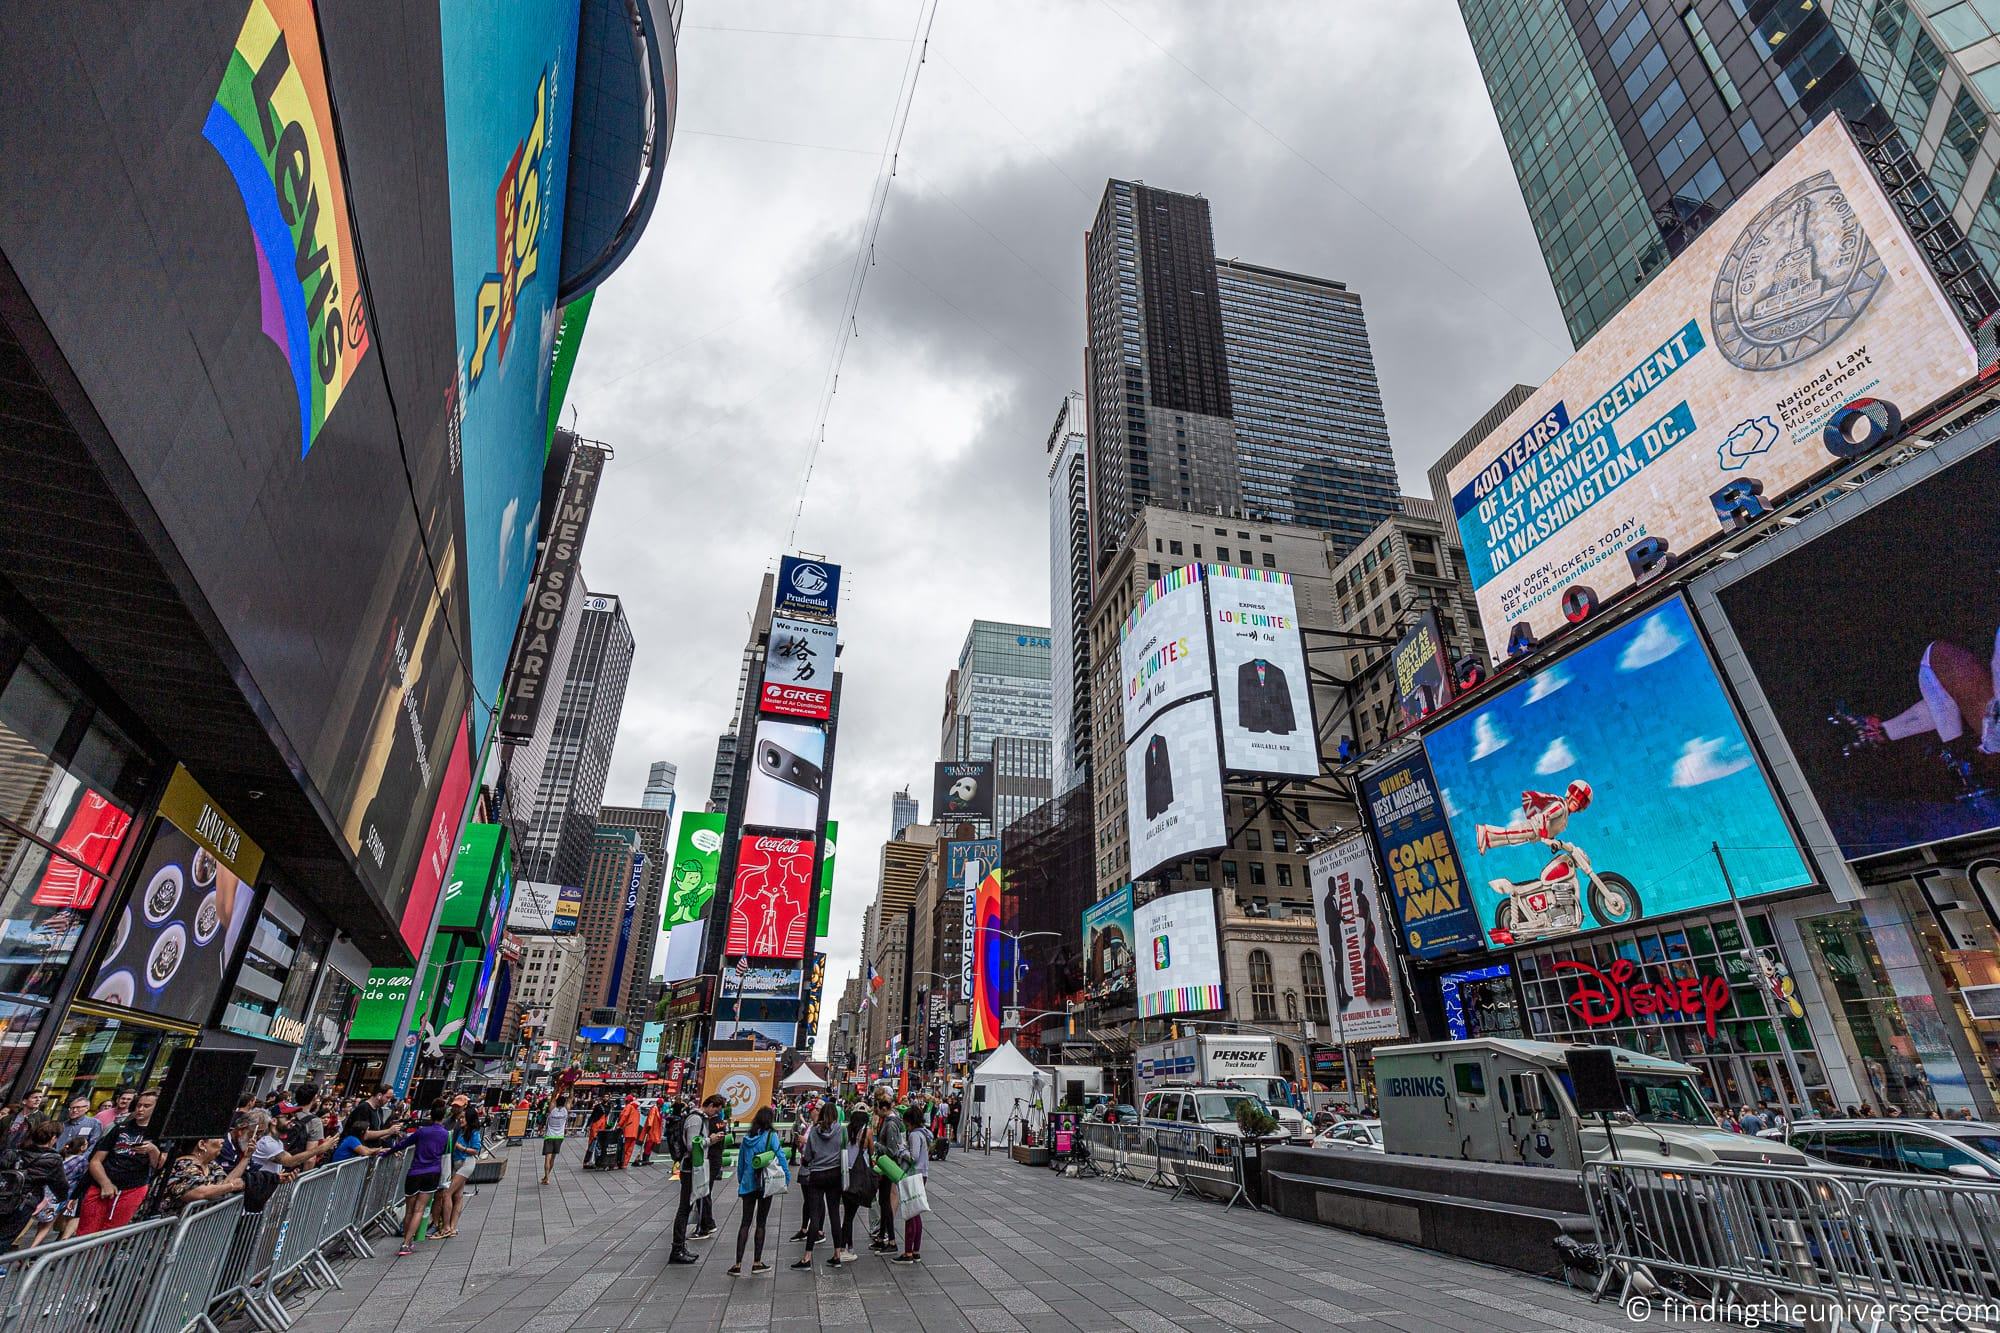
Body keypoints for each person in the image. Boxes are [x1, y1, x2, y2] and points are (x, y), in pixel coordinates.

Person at [79, 1089, 163, 1233]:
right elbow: (95, 1161)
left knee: (112, 1231)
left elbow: (159, 1165)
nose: (141, 1109)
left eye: (146, 1106)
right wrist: (105, 1183)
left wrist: (153, 1150)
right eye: (139, 1105)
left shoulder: (158, 1133)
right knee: (87, 1230)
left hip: (133, 1187)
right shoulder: (120, 1128)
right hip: (103, 1182)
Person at [729, 1107, 788, 1276]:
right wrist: (787, 1177)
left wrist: (741, 1181)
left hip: (748, 1185)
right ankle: (756, 1262)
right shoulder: (771, 1136)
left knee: (745, 1223)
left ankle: (738, 1263)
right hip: (765, 1185)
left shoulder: (747, 1138)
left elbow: (740, 1163)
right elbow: (781, 1157)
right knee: (761, 1223)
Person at [389, 1102, 452, 1257]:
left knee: (410, 1210)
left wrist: (386, 1153)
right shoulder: (445, 1134)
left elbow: (403, 1144)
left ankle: (406, 1240)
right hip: (432, 1173)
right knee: (419, 1209)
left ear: (431, 1115)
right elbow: (445, 1154)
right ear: (443, 1117)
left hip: (414, 1172)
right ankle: (407, 1243)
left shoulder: (422, 1131)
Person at [0, 1119, 68, 1254]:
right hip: (23, 1203)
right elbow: (60, 1185)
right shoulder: (53, 1159)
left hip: (3, 1196)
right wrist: (61, 1199)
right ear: (53, 1138)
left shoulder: (14, 1152)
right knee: (4, 1239)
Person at [791, 1101, 844, 1269]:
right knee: (834, 1214)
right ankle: (837, 1254)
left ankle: (807, 1257)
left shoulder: (814, 1131)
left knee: (814, 1215)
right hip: (835, 1174)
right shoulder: (841, 1130)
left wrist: (807, 1162)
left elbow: (808, 1155)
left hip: (817, 1174)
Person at [155, 1135, 248, 1219]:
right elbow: (198, 1192)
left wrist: (246, 1157)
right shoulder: (183, 1164)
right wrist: (232, 1186)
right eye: (217, 1137)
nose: (222, 1141)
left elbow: (223, 1184)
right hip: (164, 1230)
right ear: (202, 1144)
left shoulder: (211, 1165)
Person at [666, 1097, 712, 1265]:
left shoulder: (699, 1118)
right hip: (689, 1168)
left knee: (687, 1206)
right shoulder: (695, 1119)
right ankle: (677, 1249)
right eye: (717, 1109)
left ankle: (680, 1246)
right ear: (711, 1105)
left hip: (693, 1167)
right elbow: (693, 1145)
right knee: (684, 1208)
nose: (717, 1113)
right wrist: (710, 1140)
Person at [829, 1105, 871, 1266]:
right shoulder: (867, 1132)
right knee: (849, 1216)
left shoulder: (845, 1131)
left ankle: (845, 1246)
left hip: (846, 1174)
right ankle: (846, 1248)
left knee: (847, 1214)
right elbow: (872, 1153)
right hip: (859, 1176)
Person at [893, 1105, 931, 1264]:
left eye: (906, 1123)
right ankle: (915, 1251)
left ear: (910, 1122)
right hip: (923, 1174)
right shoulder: (925, 1133)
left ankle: (908, 1252)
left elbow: (913, 1156)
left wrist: (902, 1151)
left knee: (910, 1213)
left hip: (914, 1174)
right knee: (916, 1213)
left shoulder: (915, 1135)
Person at [868, 1092, 906, 1253]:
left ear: (884, 1108)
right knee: (883, 1201)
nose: (875, 1111)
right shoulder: (891, 1120)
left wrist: (877, 1145)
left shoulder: (890, 1124)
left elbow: (891, 1150)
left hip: (887, 1166)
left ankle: (891, 1240)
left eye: (877, 1107)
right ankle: (882, 1237)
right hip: (885, 1166)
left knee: (885, 1203)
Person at [540, 1094, 571, 1185]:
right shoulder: (565, 1111)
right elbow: (570, 1098)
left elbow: (553, 1097)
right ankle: (547, 1176)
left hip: (549, 1136)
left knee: (547, 1158)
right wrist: (571, 1084)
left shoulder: (552, 1111)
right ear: (564, 1103)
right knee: (553, 1158)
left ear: (556, 1103)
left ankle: (547, 1177)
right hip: (559, 1137)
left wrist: (558, 1087)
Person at [618, 1094, 641, 1170]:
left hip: (627, 1130)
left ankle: (620, 1162)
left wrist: (619, 1125)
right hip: (634, 1132)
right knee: (630, 1149)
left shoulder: (629, 1106)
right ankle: (625, 1164)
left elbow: (624, 1116)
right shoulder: (637, 1109)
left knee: (624, 1148)